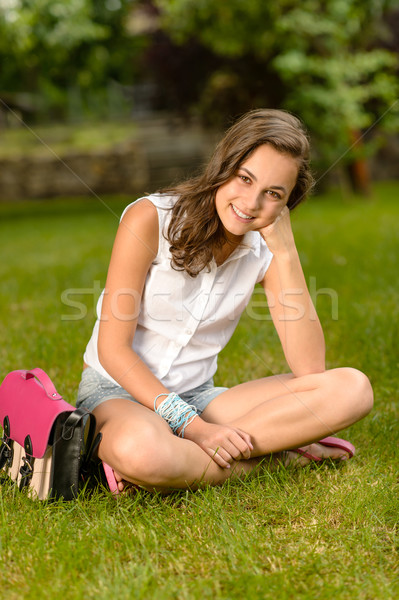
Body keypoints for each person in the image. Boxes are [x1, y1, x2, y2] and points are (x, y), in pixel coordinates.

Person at [76, 109, 373, 493]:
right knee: (142, 450)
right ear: (224, 166)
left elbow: (311, 369)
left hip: (201, 397)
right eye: (245, 178)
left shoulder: (263, 248)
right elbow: (113, 350)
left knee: (352, 388)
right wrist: (195, 428)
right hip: (118, 392)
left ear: (287, 204)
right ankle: (275, 457)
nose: (251, 203)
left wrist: (285, 252)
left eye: (273, 194)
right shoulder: (150, 218)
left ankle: (176, 466)